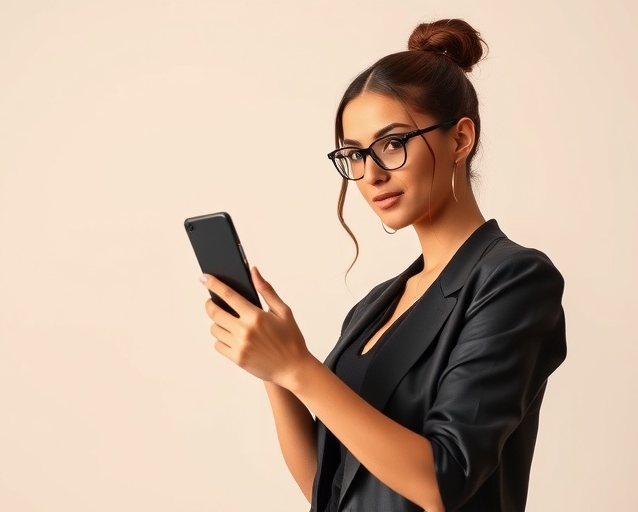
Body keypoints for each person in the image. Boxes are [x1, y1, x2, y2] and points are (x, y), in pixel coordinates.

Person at [198, 18, 566, 512]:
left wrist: (299, 367)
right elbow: (326, 490)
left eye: (392, 143)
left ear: (460, 139)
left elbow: (443, 481)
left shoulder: (513, 279)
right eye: (353, 154)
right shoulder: (374, 307)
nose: (369, 174)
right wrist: (274, 370)